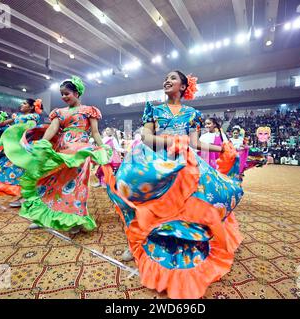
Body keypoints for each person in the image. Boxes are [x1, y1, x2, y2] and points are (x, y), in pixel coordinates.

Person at [103, 70, 243, 299]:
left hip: (185, 164)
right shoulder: (154, 110)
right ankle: (140, 241)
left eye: (172, 78)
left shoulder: (193, 114)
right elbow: (146, 137)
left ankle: (182, 239)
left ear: (183, 86)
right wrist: (172, 141)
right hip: (156, 161)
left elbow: (196, 144)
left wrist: (223, 149)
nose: (167, 81)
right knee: (143, 201)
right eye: (166, 78)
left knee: (190, 205)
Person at [15, 77, 111, 234]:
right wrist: (42, 143)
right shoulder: (59, 113)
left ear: (77, 92)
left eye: (67, 93)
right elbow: (52, 130)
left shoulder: (89, 110)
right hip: (62, 149)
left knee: (77, 185)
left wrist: (103, 147)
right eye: (62, 94)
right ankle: (42, 216)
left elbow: (94, 132)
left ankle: (75, 219)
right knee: (51, 181)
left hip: (80, 150)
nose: (64, 97)